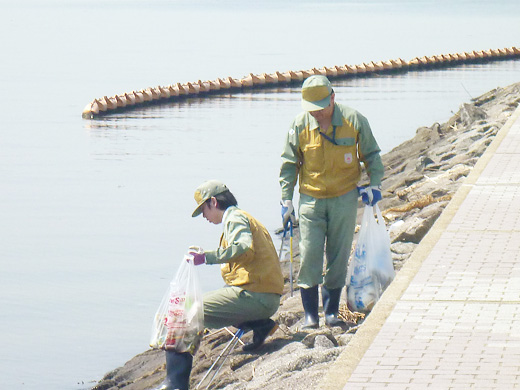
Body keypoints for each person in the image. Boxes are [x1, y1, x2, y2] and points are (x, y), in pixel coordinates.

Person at [279, 75, 384, 329]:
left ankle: (331, 312)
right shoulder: (299, 125)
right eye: (311, 109)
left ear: (333, 99)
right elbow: (289, 164)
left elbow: (371, 155)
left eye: (321, 108)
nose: (316, 114)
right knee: (309, 255)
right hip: (310, 201)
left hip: (344, 199)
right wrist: (286, 199)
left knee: (338, 256)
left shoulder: (354, 121)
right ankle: (310, 316)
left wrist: (375, 185)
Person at [158, 180, 284, 390]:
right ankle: (261, 325)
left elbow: (243, 248)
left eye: (204, 210)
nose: (205, 217)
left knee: (182, 311)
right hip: (265, 296)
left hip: (256, 297)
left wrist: (206, 257)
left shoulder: (234, 219)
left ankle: (175, 384)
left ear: (213, 202)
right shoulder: (241, 217)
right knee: (212, 300)